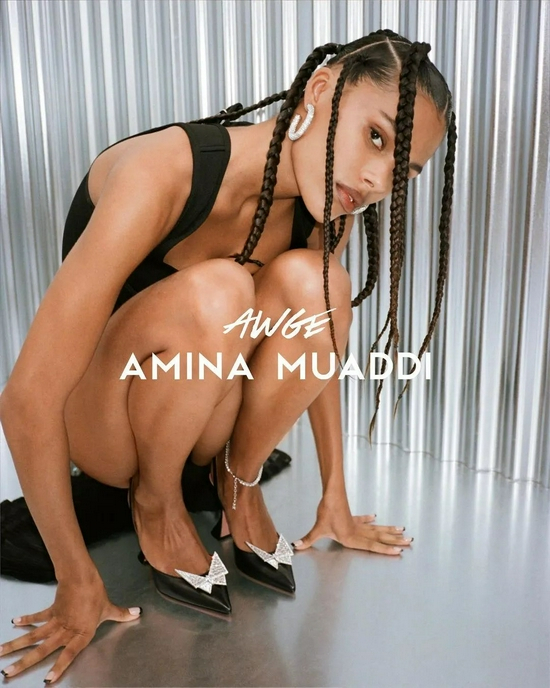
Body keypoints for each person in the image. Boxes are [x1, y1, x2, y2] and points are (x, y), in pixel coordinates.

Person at [0, 29, 456, 683]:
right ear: (320, 90)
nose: (376, 180)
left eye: (401, 173)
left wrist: (334, 494)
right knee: (222, 290)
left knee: (321, 285)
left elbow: (319, 343)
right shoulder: (164, 173)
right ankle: (155, 503)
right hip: (104, 427)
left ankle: (236, 484)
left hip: (205, 420)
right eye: (377, 138)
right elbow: (27, 397)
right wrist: (76, 577)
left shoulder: (331, 198)